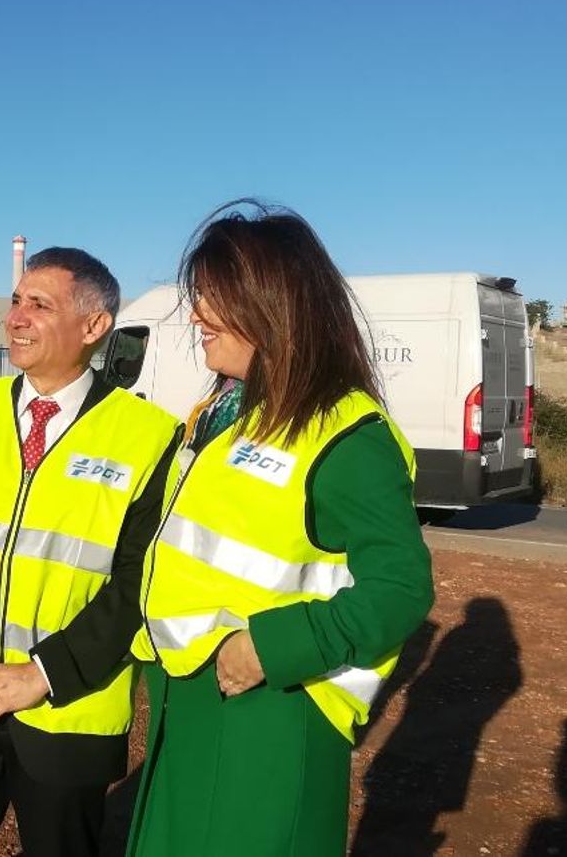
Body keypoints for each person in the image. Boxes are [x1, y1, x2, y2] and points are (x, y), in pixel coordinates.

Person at [125, 201, 435, 856]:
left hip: (271, 706)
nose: (196, 316)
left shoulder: (350, 436)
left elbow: (401, 587)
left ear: (273, 306)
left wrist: (273, 646)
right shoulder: (220, 414)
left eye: (212, 297)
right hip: (189, 700)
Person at [0, 247, 181, 857]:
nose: (16, 318)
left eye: (40, 305)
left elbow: (139, 582)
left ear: (94, 327)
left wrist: (45, 674)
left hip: (65, 712)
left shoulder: (150, 436)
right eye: (17, 301)